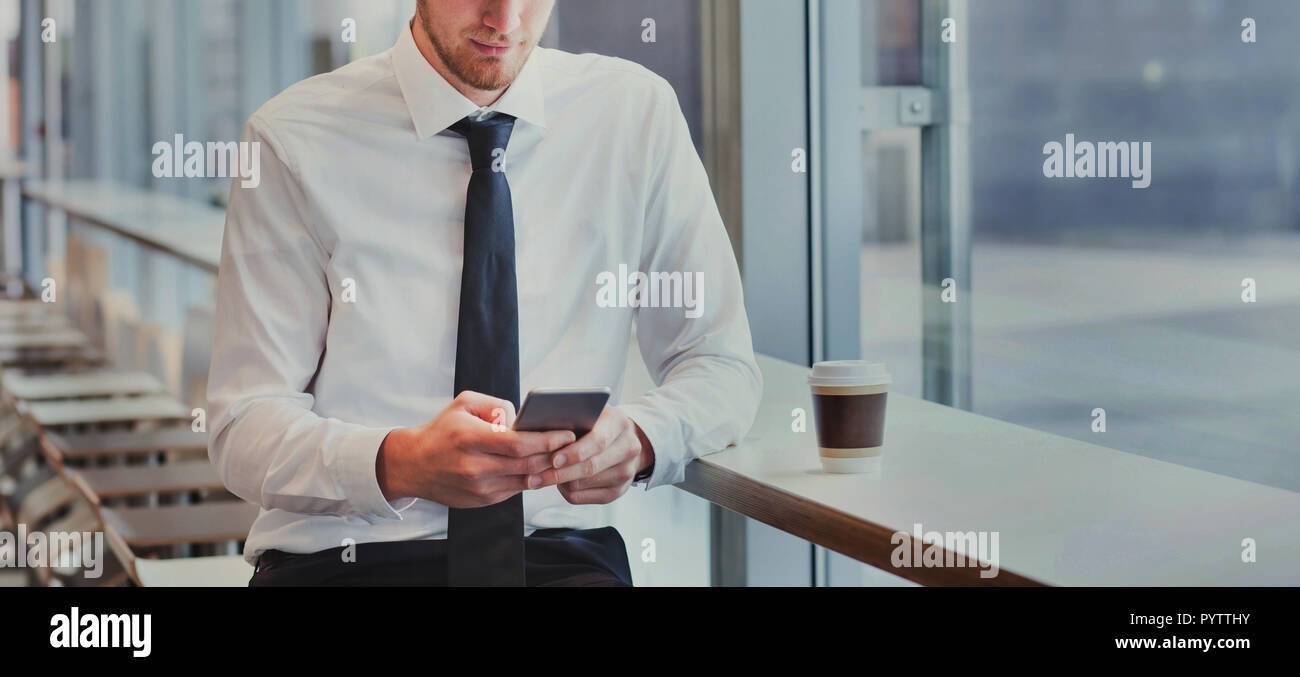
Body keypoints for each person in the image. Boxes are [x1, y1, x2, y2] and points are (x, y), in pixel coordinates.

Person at [207, 0, 762, 586]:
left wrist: (643, 438)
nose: (505, 18)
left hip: (557, 558)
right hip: (348, 556)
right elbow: (243, 424)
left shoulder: (633, 117)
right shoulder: (292, 139)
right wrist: (401, 463)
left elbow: (720, 365)